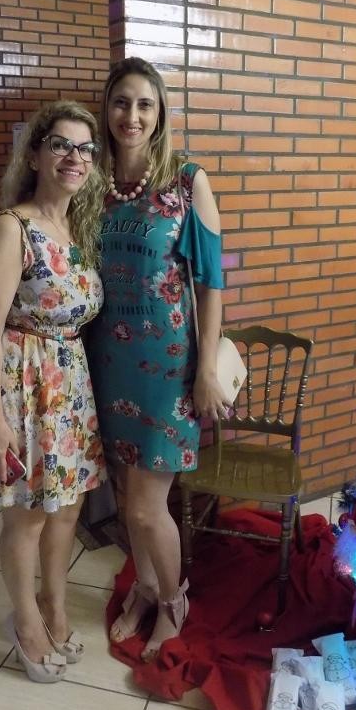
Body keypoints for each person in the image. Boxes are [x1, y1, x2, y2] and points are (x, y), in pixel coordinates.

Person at [0, 100, 107, 683]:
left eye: (85, 148)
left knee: (67, 509)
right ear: (37, 154)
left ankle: (54, 607)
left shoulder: (77, 228)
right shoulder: (11, 228)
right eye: (61, 144)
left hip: (70, 385)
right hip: (23, 384)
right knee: (28, 516)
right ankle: (25, 622)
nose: (74, 157)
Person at [86, 57, 229, 661]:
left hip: (167, 367)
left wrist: (207, 370)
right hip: (103, 360)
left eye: (145, 104)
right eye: (122, 102)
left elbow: (211, 283)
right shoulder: (91, 184)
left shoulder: (187, 181)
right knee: (126, 497)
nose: (132, 115)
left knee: (148, 507)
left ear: (161, 113)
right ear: (107, 109)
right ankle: (144, 588)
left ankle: (174, 601)